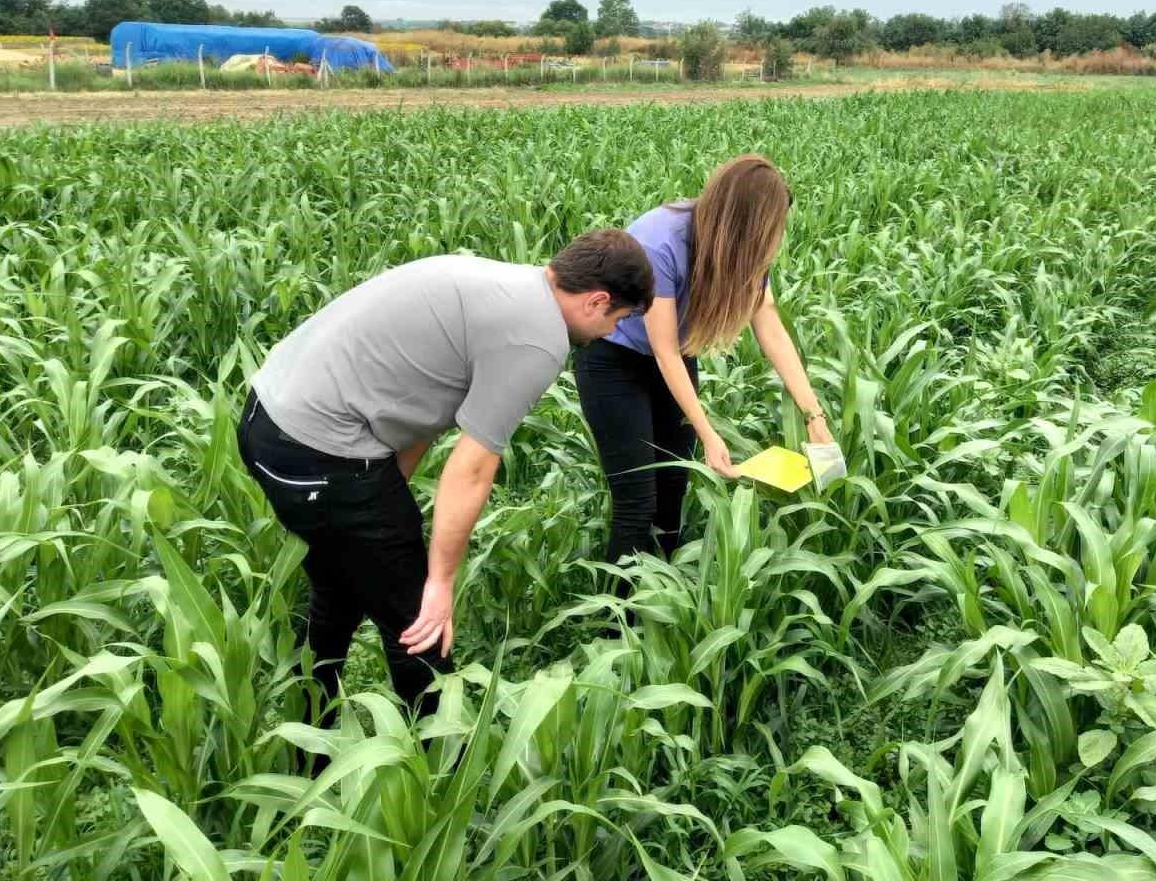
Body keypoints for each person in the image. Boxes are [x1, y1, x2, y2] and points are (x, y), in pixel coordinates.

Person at [235, 230, 653, 722]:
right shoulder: (536, 340)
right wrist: (438, 584)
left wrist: (385, 501)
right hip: (318, 450)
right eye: (617, 320)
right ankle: (440, 757)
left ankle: (307, 740)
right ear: (597, 300)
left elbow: (420, 403)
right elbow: (471, 469)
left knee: (340, 586)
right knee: (419, 625)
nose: (609, 334)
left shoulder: (506, 286)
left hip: (270, 417)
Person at [574, 155, 833, 573]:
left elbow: (770, 328)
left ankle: (665, 595)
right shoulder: (660, 241)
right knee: (637, 502)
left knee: (673, 487)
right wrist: (709, 434)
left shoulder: (743, 250)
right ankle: (618, 610)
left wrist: (813, 416)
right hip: (613, 360)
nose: (776, 238)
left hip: (676, 357)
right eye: (772, 228)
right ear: (746, 221)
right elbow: (664, 349)